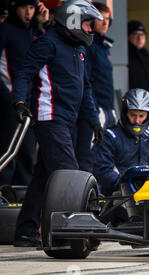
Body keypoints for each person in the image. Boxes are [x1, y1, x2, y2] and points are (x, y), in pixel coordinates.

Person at [10, 0, 103, 247]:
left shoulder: (80, 49)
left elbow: (87, 89)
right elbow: (24, 73)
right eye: (87, 23)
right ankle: (74, 234)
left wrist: (94, 121)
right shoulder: (48, 42)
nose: (90, 29)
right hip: (48, 117)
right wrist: (19, 101)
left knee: (44, 177)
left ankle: (25, 231)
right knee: (70, 176)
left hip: (67, 121)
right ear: (71, 20)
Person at [0, 0, 49, 186]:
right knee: (8, 152)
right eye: (24, 7)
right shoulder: (5, 29)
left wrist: (45, 23)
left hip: (31, 104)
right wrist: (8, 98)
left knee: (27, 153)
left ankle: (21, 197)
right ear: (15, 8)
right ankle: (3, 193)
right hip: (10, 103)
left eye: (31, 8)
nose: (28, 12)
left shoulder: (36, 33)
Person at [75, 1, 115, 172]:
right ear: (91, 21)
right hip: (94, 111)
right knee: (87, 158)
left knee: (106, 156)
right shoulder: (87, 45)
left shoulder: (104, 46)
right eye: (101, 19)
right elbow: (87, 82)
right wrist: (93, 111)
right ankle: (84, 196)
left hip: (108, 110)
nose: (105, 23)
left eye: (108, 19)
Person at [128, 20, 149, 96]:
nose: (140, 38)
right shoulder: (126, 56)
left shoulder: (145, 55)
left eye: (142, 34)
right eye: (136, 34)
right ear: (128, 36)